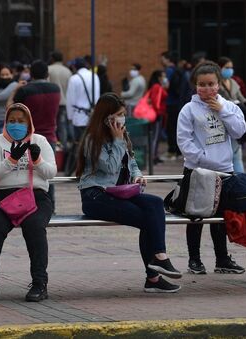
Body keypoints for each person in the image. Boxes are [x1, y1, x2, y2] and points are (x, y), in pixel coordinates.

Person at [77, 92, 182, 293]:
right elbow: (109, 167)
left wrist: (137, 175)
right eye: (118, 114)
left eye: (123, 114)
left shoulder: (122, 135)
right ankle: (155, 272)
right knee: (147, 219)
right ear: (106, 118)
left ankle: (159, 259)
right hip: (95, 196)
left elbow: (131, 161)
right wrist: (117, 141)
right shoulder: (93, 139)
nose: (122, 118)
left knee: (155, 203)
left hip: (118, 192)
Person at [0, 103, 56, 302]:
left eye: (21, 121)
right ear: (5, 122)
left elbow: (51, 173)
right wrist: (11, 160)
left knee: (35, 226)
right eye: (12, 121)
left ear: (29, 122)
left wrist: (37, 159)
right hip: (2, 198)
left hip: (36, 197)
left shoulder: (39, 140)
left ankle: (40, 283)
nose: (16, 125)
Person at [177, 61, 246, 275]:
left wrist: (223, 110)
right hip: (198, 171)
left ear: (219, 83)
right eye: (202, 84)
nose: (207, 89)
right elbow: (184, 141)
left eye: (211, 84)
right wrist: (202, 158)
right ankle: (194, 259)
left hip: (225, 170)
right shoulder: (188, 109)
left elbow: (239, 132)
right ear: (195, 85)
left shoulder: (229, 106)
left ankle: (222, 259)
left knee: (221, 216)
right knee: (196, 215)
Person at [8, 60, 60, 210]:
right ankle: (50, 206)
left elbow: (12, 109)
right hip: (50, 136)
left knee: (25, 172)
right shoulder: (55, 89)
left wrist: (15, 90)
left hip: (28, 137)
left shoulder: (25, 91)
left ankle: (26, 204)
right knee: (47, 173)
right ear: (47, 74)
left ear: (31, 74)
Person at [217, 56, 246, 174]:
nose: (230, 70)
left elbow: (242, 99)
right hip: (222, 122)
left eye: (231, 67)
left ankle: (239, 179)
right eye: (227, 67)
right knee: (230, 155)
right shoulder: (215, 83)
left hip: (235, 119)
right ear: (220, 68)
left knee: (237, 154)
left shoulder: (233, 81)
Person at [48, 51, 73, 149]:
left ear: (52, 58)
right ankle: (64, 146)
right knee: (62, 125)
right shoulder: (68, 71)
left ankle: (53, 146)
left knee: (52, 125)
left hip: (51, 103)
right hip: (64, 102)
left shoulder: (49, 69)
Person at [161, 51, 183, 161]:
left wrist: (163, 80)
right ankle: (177, 151)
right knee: (176, 127)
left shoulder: (169, 71)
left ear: (168, 59)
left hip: (171, 103)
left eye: (163, 58)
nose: (162, 61)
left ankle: (171, 151)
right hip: (177, 102)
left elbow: (166, 86)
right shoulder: (177, 70)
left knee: (171, 128)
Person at [145, 70, 168, 165]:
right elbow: (156, 101)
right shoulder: (157, 87)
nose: (164, 78)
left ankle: (154, 155)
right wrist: (157, 113)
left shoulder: (158, 86)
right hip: (157, 114)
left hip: (158, 113)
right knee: (154, 136)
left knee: (156, 136)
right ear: (159, 77)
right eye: (163, 76)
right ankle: (152, 157)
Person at [0, 63, 19, 134]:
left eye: (7, 74)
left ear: (12, 75)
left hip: (5, 120)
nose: (4, 77)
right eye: (2, 75)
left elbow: (1, 97)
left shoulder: (14, 85)